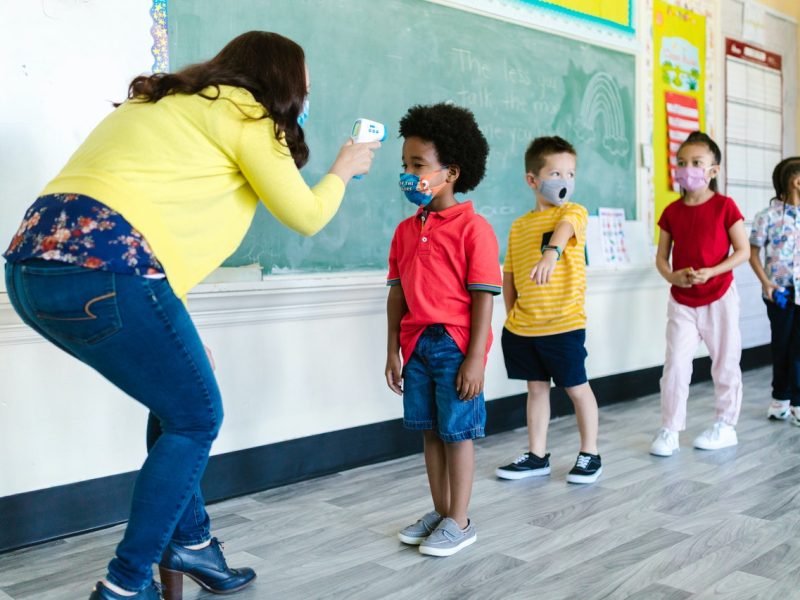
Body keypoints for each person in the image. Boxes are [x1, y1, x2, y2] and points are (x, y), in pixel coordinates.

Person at [3, 31, 379, 600]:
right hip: (110, 268)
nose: (307, 96)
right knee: (198, 417)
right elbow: (306, 215)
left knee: (177, 404)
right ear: (280, 81)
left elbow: (151, 210)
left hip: (30, 269)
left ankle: (192, 542)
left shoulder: (161, 101)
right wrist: (343, 169)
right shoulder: (248, 113)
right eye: (304, 85)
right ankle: (127, 585)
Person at [385, 103, 500, 557]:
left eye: (418, 165)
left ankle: (460, 520)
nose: (408, 174)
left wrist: (475, 358)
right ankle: (440, 511)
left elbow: (484, 298)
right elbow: (397, 294)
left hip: (455, 346)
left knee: (457, 432)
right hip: (416, 346)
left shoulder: (475, 229)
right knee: (429, 430)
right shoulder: (404, 232)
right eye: (404, 164)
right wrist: (393, 350)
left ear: (451, 172)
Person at [495, 136, 602, 485]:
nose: (565, 180)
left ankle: (590, 453)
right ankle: (537, 456)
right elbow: (509, 275)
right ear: (532, 179)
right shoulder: (518, 227)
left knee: (576, 388)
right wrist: (512, 315)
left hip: (564, 324)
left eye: (570, 174)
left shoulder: (573, 212)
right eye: (556, 173)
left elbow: (565, 229)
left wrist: (551, 253)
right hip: (525, 328)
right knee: (536, 390)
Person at [650, 131, 749, 457]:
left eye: (696, 162)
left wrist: (713, 271)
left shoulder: (725, 206)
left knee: (725, 362)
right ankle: (669, 430)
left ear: (713, 170)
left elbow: (743, 251)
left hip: (720, 296)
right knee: (675, 366)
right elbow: (661, 258)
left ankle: (726, 425)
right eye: (681, 162)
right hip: (682, 301)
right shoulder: (671, 212)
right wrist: (672, 276)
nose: (687, 168)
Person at [749, 157, 800, 424]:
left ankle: (798, 403)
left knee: (799, 348)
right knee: (781, 345)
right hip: (779, 292)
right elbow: (752, 253)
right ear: (796, 181)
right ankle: (780, 399)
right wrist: (765, 282)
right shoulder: (766, 216)